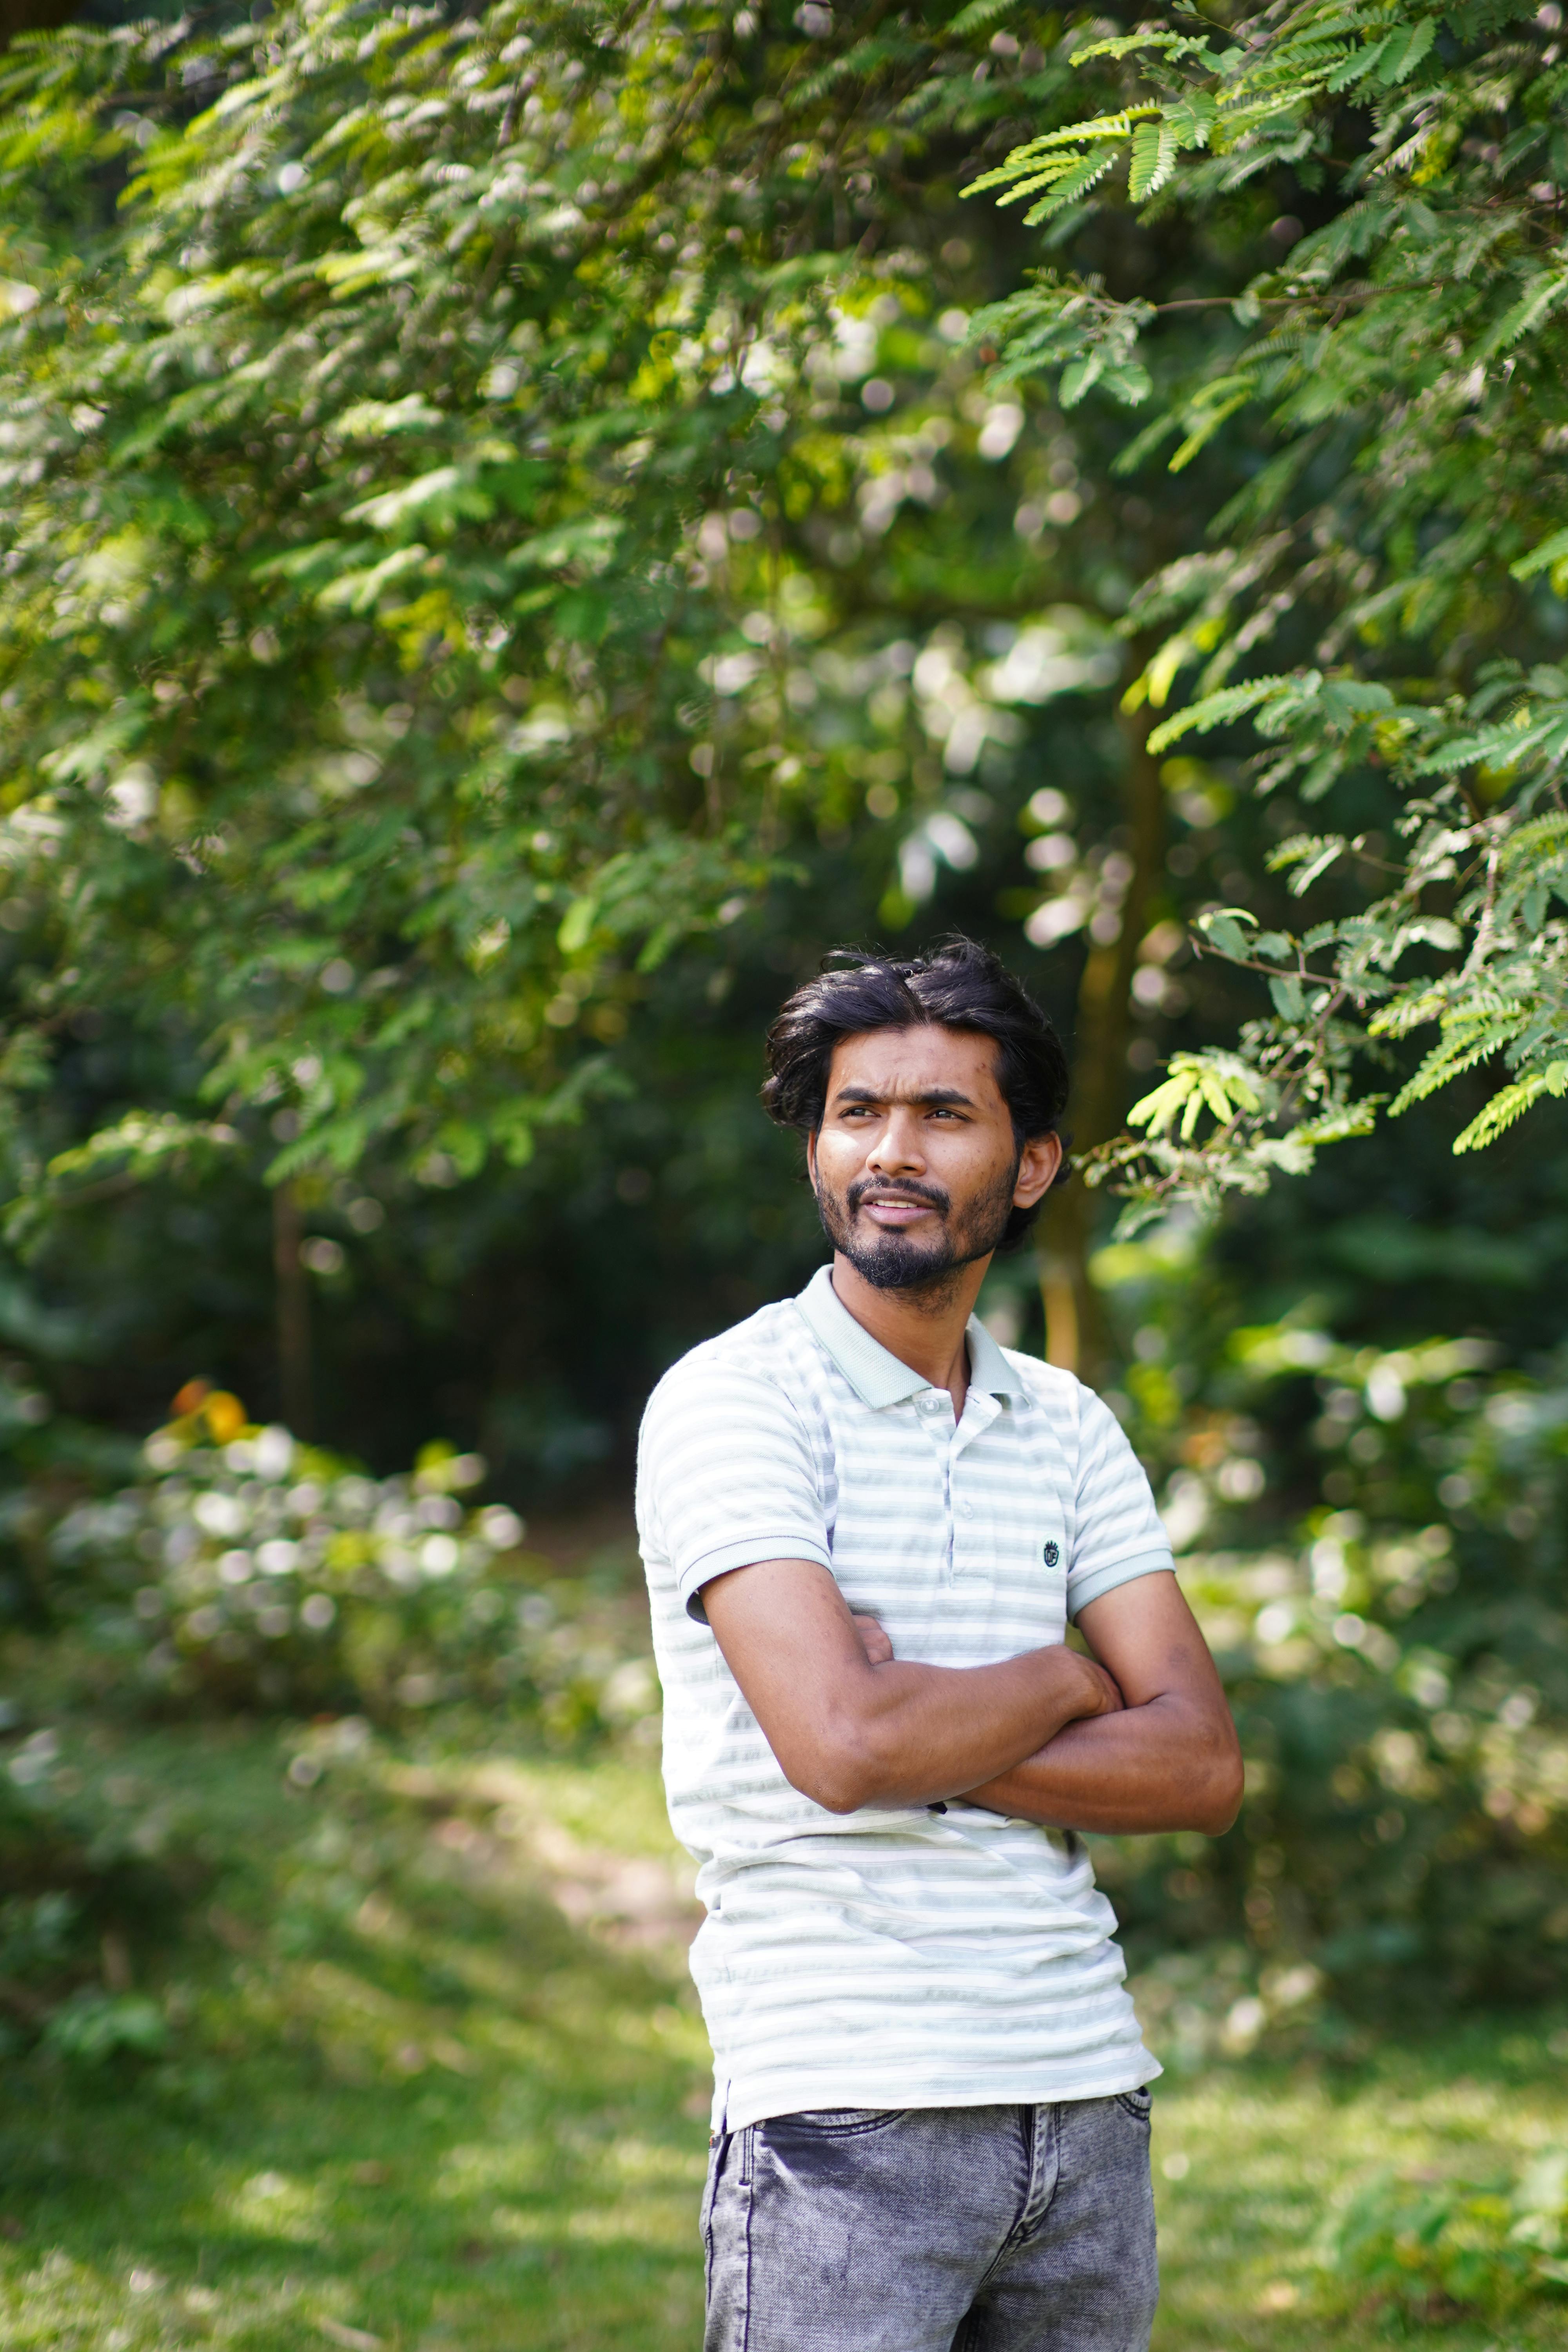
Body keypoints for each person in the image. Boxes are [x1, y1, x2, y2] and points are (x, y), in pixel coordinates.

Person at [635, 937, 1243, 2352]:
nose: (891, 1152)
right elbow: (844, 1749)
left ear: (1031, 1165)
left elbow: (1202, 1769)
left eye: (942, 1116)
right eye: (859, 1113)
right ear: (816, 1148)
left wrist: (927, 1718)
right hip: (843, 2104)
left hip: (1086, 2101)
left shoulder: (1069, 1425)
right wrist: (1067, 1681)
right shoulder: (737, 1403)